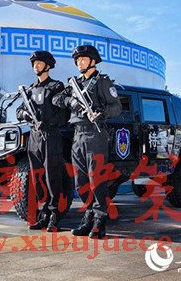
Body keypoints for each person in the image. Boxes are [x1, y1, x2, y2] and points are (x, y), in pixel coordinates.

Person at [53, 45, 121, 238]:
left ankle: (100, 221)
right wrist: (71, 101)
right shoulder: (74, 84)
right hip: (77, 135)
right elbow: (57, 99)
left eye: (83, 59)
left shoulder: (103, 82)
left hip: (95, 134)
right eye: (77, 60)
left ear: (93, 61)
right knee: (80, 182)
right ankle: (89, 216)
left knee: (96, 180)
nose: (79, 63)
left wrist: (102, 113)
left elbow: (117, 107)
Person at [16, 50, 69, 232]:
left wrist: (48, 123)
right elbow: (19, 111)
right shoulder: (30, 90)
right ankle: (44, 213)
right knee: (37, 176)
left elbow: (64, 115)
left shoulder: (56, 87)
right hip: (34, 136)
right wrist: (25, 115)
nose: (35, 66)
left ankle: (54, 215)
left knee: (52, 175)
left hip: (50, 135)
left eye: (39, 63)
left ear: (48, 66)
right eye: (34, 63)